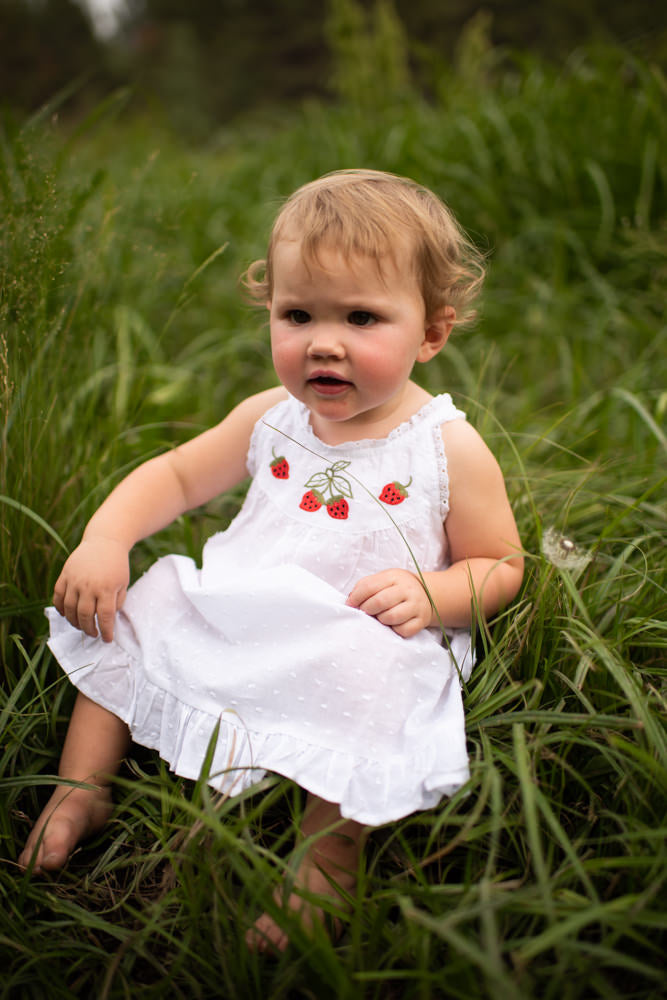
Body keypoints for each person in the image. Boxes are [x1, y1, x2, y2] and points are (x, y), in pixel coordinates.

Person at [18, 168, 524, 951]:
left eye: (361, 317)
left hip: (353, 625)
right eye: (297, 314)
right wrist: (106, 539)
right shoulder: (271, 417)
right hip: (241, 604)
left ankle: (326, 859)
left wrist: (434, 592)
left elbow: (499, 563)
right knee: (144, 607)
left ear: (431, 333)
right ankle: (84, 785)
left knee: (381, 680)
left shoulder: (443, 446)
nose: (323, 341)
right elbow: (178, 474)